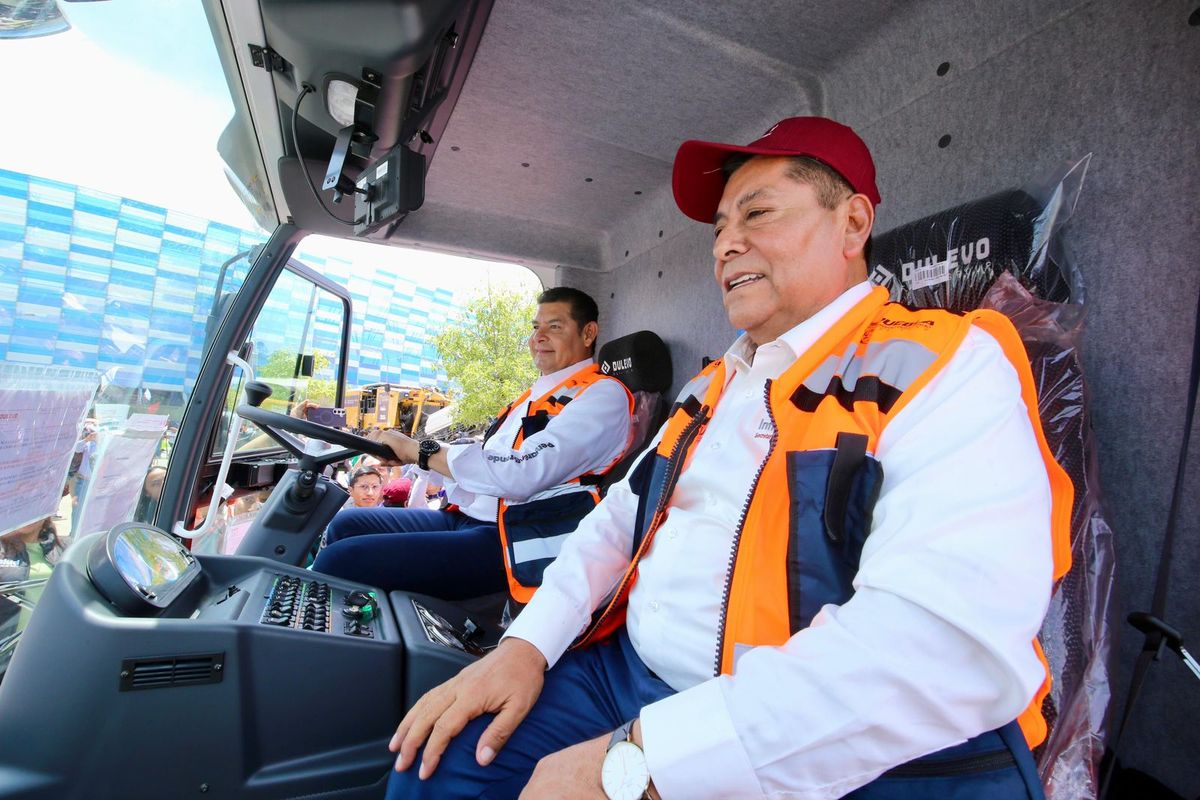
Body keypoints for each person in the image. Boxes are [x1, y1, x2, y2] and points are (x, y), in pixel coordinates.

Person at [384, 117, 1072, 800]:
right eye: (718, 228)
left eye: (758, 214)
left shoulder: (947, 365)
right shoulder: (710, 388)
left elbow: (939, 646)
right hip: (624, 677)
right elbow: (617, 522)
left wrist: (639, 763)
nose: (725, 245)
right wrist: (525, 647)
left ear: (853, 223)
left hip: (807, 735)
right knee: (436, 765)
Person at [312, 287, 635, 602]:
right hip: (468, 518)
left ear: (588, 333)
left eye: (555, 326)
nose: (538, 337)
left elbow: (522, 474)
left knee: (339, 561)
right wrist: (410, 458)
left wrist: (419, 450)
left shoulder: (602, 396)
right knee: (345, 525)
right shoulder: (537, 394)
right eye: (536, 327)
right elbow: (489, 459)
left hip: (518, 535)